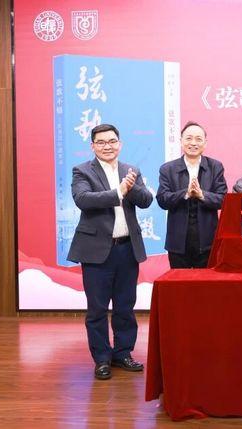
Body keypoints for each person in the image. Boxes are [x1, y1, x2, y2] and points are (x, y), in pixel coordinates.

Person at [68, 123, 153, 380]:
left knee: (125, 306)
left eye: (112, 141)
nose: (108, 146)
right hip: (96, 252)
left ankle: (123, 353)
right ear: (93, 146)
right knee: (97, 309)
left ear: (120, 144)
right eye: (102, 142)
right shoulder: (82, 171)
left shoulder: (131, 170)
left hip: (127, 249)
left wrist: (131, 187)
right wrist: (118, 192)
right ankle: (102, 359)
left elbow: (146, 200)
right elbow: (83, 200)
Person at [157, 121, 227, 268]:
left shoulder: (215, 167)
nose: (193, 143)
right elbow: (162, 200)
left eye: (198, 139)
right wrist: (186, 193)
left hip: (208, 242)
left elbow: (223, 200)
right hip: (178, 243)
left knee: (206, 281)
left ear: (205, 143)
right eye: (189, 138)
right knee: (179, 281)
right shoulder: (168, 169)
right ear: (181, 141)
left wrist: (202, 195)